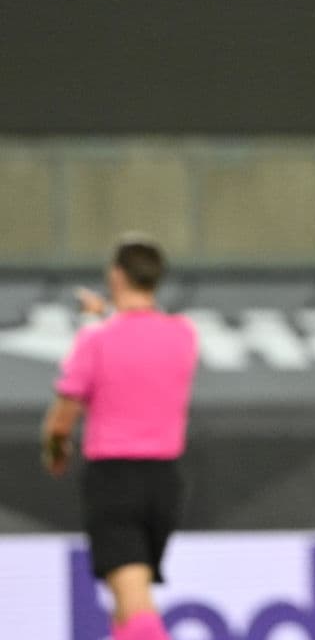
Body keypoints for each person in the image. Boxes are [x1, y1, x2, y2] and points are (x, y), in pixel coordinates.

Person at [41, 234, 198, 640]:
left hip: (115, 482)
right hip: (165, 484)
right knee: (128, 606)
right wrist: (105, 312)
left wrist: (55, 450)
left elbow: (61, 421)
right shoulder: (183, 334)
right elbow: (142, 328)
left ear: (115, 275)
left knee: (136, 607)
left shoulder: (94, 340)